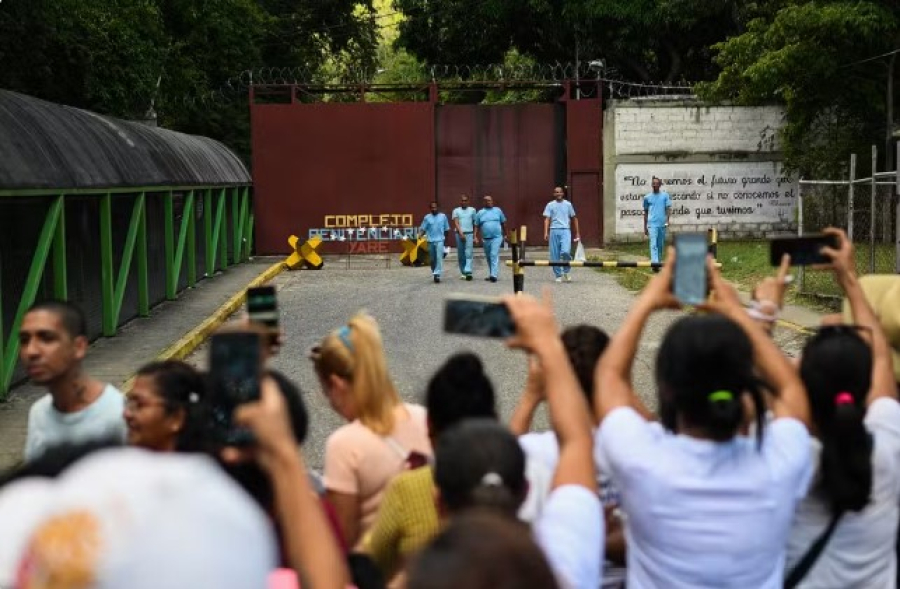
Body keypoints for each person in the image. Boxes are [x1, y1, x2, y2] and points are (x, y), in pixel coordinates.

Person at [594, 252, 813, 588]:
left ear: (666, 390)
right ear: (744, 386)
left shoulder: (643, 461)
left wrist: (649, 299)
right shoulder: (778, 461)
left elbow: (608, 376)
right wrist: (742, 314)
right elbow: (789, 389)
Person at [415, 292, 603, 589]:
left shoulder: (428, 576)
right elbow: (577, 440)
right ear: (525, 490)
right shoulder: (561, 565)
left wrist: (531, 393)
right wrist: (548, 345)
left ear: (439, 502)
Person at [361, 352, 551, 581]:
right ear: (523, 492)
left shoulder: (408, 489)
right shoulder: (518, 479)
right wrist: (531, 396)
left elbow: (369, 564)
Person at [784, 228, 900, 588]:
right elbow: (879, 353)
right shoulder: (888, 444)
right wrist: (849, 278)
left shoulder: (787, 460)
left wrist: (764, 308)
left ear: (803, 391)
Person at [310, 312, 431, 547]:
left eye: (325, 391)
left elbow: (342, 539)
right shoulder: (423, 418)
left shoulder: (344, 445)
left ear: (336, 384)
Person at [20, 300, 126, 462]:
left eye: (47, 338)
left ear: (79, 347)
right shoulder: (38, 413)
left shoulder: (119, 414)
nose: (31, 351)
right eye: (24, 340)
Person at [123, 360, 208, 453]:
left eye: (139, 405)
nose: (127, 414)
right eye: (129, 403)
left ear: (176, 418)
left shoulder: (203, 466)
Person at [543, 186, 580, 283]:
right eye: (556, 192)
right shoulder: (550, 205)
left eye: (560, 192)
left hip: (565, 230)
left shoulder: (568, 204)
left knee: (565, 251)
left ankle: (566, 271)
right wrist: (546, 232)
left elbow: (574, 218)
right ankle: (558, 275)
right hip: (554, 230)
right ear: (554, 194)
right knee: (554, 255)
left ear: (563, 193)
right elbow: (547, 219)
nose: (558, 194)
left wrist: (577, 233)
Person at [474, 195, 507, 283]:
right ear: (484, 202)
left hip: (497, 237)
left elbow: (503, 222)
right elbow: (476, 225)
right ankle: (491, 273)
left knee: (493, 254)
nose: (489, 202)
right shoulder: (480, 213)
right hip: (486, 238)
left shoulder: (498, 210)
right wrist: (475, 236)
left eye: (490, 200)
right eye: (487, 201)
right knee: (488, 257)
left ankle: (494, 275)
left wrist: (506, 235)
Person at [642, 177, 671, 272]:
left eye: (656, 183)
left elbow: (668, 209)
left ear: (660, 185)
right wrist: (645, 227)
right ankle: (655, 263)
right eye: (653, 183)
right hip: (652, 224)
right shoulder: (647, 197)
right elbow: (645, 212)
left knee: (660, 245)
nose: (654, 185)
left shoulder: (665, 196)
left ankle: (657, 263)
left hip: (662, 224)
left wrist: (667, 220)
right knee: (653, 244)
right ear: (651, 185)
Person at [419, 201, 450, 284]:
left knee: (439, 258)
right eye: (432, 208)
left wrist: (446, 241)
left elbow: (447, 229)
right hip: (430, 241)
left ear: (438, 208)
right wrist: (420, 235)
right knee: (432, 259)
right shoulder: (427, 218)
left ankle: (437, 274)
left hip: (440, 240)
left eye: (435, 207)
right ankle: (434, 271)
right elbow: (423, 228)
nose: (434, 209)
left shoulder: (443, 217)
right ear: (430, 209)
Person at [451, 194, 477, 281]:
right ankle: (463, 273)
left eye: (465, 200)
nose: (464, 202)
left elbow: (475, 223)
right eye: (462, 200)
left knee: (469, 253)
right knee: (461, 255)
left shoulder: (472, 210)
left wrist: (475, 236)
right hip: (459, 234)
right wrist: (461, 233)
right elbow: (456, 223)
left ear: (468, 201)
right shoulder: (456, 210)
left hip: (469, 233)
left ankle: (468, 271)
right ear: (460, 201)